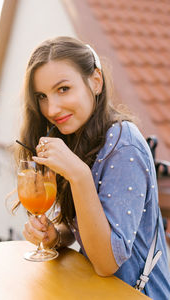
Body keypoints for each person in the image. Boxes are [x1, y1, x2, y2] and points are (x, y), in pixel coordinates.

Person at [15, 36, 170, 299]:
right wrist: (56, 236)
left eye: (63, 89)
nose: (51, 108)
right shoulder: (78, 138)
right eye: (42, 96)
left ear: (95, 81)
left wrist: (78, 174)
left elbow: (107, 262)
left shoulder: (124, 146)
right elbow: (84, 227)